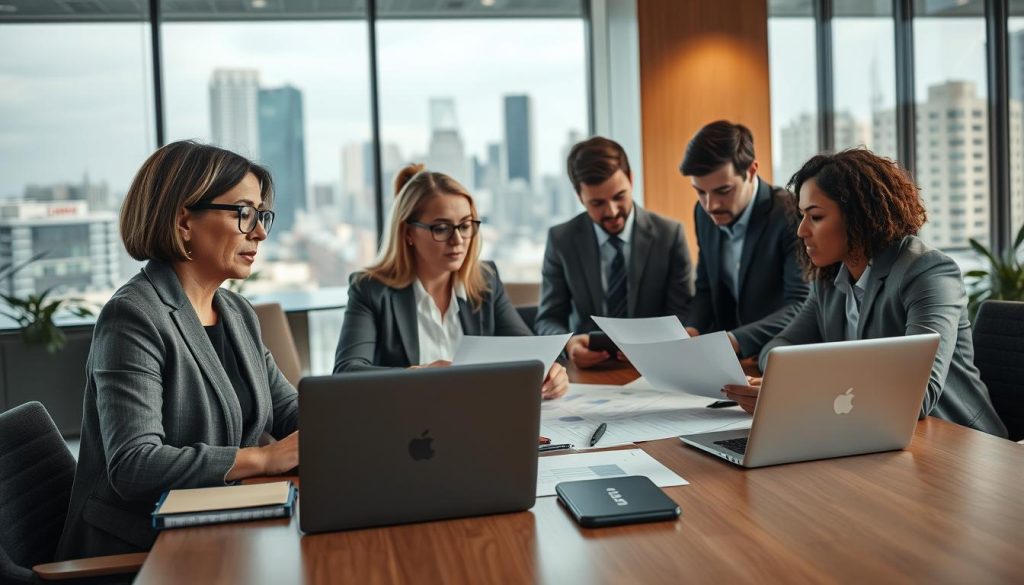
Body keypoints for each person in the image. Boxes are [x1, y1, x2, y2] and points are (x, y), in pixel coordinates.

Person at [57, 141, 301, 560]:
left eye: (261, 215)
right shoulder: (132, 317)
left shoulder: (236, 312)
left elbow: (288, 410)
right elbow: (135, 466)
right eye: (243, 213)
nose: (259, 231)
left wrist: (352, 424)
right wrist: (262, 459)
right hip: (137, 550)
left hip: (220, 527)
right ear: (184, 220)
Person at [723, 149, 1008, 438]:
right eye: (801, 216)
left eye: (816, 217)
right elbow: (776, 350)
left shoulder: (927, 273)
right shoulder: (829, 279)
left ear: (859, 217)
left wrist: (796, 391)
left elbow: (917, 397)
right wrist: (786, 387)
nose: (801, 231)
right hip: (869, 433)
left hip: (958, 443)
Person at [334, 164, 568, 400]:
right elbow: (346, 373)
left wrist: (553, 373)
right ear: (408, 233)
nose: (458, 240)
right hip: (408, 422)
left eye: (465, 226)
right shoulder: (370, 289)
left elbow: (531, 353)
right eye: (442, 228)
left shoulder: (485, 280)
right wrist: (419, 374)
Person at [535, 136, 695, 368]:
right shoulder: (561, 240)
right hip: (589, 373)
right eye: (597, 203)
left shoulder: (669, 235)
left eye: (619, 197)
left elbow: (683, 315)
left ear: (631, 180)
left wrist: (652, 348)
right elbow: (548, 319)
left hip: (655, 368)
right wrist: (569, 345)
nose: (611, 212)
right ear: (580, 197)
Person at [679, 120, 808, 358]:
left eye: (723, 191)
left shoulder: (790, 213)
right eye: (700, 191)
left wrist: (734, 340)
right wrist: (691, 330)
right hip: (727, 360)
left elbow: (800, 304)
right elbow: (706, 289)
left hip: (778, 355)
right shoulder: (702, 213)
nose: (711, 205)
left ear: (751, 171)